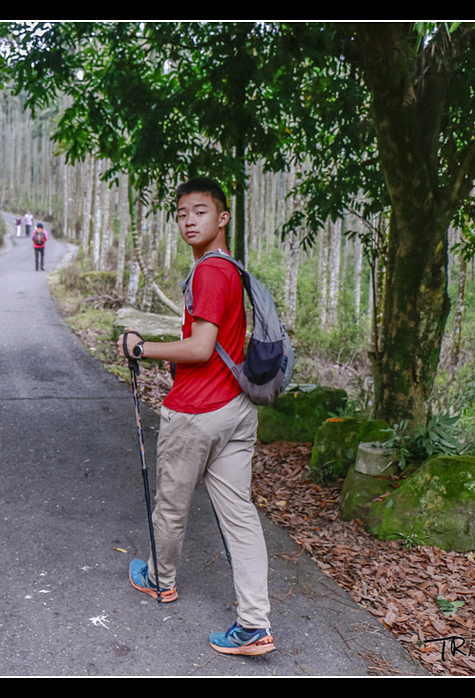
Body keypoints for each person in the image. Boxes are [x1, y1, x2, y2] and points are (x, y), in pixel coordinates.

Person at [117, 177, 275, 657]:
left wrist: (141, 347)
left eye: (200, 211)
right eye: (182, 213)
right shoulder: (230, 269)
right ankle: (254, 624)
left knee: (171, 505)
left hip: (197, 413)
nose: (189, 220)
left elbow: (202, 348)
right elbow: (218, 342)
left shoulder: (209, 272)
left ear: (222, 218)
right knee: (241, 517)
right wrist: (174, 355)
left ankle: (161, 579)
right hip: (236, 410)